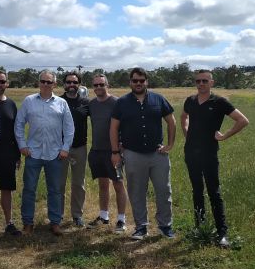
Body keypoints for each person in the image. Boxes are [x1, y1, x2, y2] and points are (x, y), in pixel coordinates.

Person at [181, 69, 249, 249]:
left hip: (209, 153)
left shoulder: (219, 102)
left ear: (212, 83)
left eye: (204, 81)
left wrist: (224, 135)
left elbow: (242, 120)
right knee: (197, 190)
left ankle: (222, 234)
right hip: (190, 152)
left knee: (214, 192)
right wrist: (187, 132)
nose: (201, 84)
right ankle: (200, 227)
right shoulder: (190, 101)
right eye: (198, 81)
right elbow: (183, 117)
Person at [110, 67, 176, 240]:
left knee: (164, 191)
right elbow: (114, 128)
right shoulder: (122, 102)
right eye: (135, 81)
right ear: (130, 82)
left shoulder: (159, 99)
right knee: (137, 191)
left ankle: (165, 226)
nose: (138, 83)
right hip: (133, 154)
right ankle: (141, 227)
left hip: (158, 154)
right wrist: (115, 151)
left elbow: (171, 122)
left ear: (146, 81)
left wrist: (169, 144)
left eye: (141, 80)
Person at [15, 70, 74, 236]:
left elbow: (69, 128)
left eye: (49, 82)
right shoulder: (29, 101)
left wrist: (65, 148)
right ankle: (28, 223)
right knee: (29, 189)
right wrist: (22, 145)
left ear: (55, 84)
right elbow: (19, 124)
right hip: (33, 153)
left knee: (55, 190)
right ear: (38, 82)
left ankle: (55, 222)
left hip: (55, 154)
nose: (46, 84)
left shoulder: (62, 103)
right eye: (43, 81)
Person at [86, 74, 128, 231]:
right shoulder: (92, 104)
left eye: (101, 85)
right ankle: (104, 216)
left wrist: (119, 147)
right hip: (96, 150)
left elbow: (125, 125)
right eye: (95, 85)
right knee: (102, 184)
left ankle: (121, 219)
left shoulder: (117, 103)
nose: (98, 87)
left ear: (107, 85)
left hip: (113, 151)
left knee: (118, 184)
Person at [0, 70, 23, 237]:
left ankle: (9, 223)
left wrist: (17, 154)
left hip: (8, 154)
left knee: (7, 189)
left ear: (7, 83)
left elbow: (16, 131)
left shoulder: (11, 104)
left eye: (2, 82)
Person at [59, 71, 90, 227]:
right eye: (69, 82)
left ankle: (77, 215)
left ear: (79, 84)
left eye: (75, 82)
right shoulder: (57, 101)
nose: (72, 85)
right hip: (61, 149)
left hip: (79, 148)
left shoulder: (85, 102)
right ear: (64, 84)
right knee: (59, 183)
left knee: (78, 183)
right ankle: (57, 215)